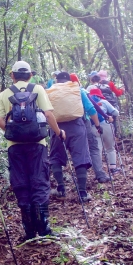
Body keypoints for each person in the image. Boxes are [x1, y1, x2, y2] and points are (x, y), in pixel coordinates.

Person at [0, 61, 65, 242]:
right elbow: (48, 115)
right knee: (39, 181)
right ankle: (44, 228)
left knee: (21, 183)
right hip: (37, 144)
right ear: (30, 75)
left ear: (12, 75)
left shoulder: (5, 93)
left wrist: (14, 132)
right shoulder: (38, 89)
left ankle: (29, 230)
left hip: (14, 146)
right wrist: (58, 133)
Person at [47, 72, 101, 202]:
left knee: (55, 157)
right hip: (77, 126)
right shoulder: (77, 89)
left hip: (57, 127)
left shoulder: (50, 90)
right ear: (69, 80)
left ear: (57, 80)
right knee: (80, 157)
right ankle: (82, 193)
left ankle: (61, 189)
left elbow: (46, 112)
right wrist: (98, 125)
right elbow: (90, 108)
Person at [71, 73, 112, 184]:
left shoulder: (60, 93)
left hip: (67, 126)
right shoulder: (81, 91)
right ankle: (100, 174)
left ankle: (77, 180)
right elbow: (92, 106)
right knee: (93, 147)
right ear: (77, 81)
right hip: (84, 122)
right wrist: (100, 122)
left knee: (76, 150)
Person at [88, 88, 121, 174]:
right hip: (106, 125)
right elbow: (116, 113)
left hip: (93, 127)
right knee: (110, 148)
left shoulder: (88, 102)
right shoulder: (104, 102)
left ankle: (99, 170)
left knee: (98, 149)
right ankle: (113, 168)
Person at [97, 70, 124, 136]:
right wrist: (122, 90)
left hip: (101, 106)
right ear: (106, 76)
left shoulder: (96, 85)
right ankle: (113, 136)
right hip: (111, 105)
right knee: (113, 120)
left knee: (102, 120)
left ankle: (103, 135)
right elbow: (117, 93)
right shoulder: (110, 83)